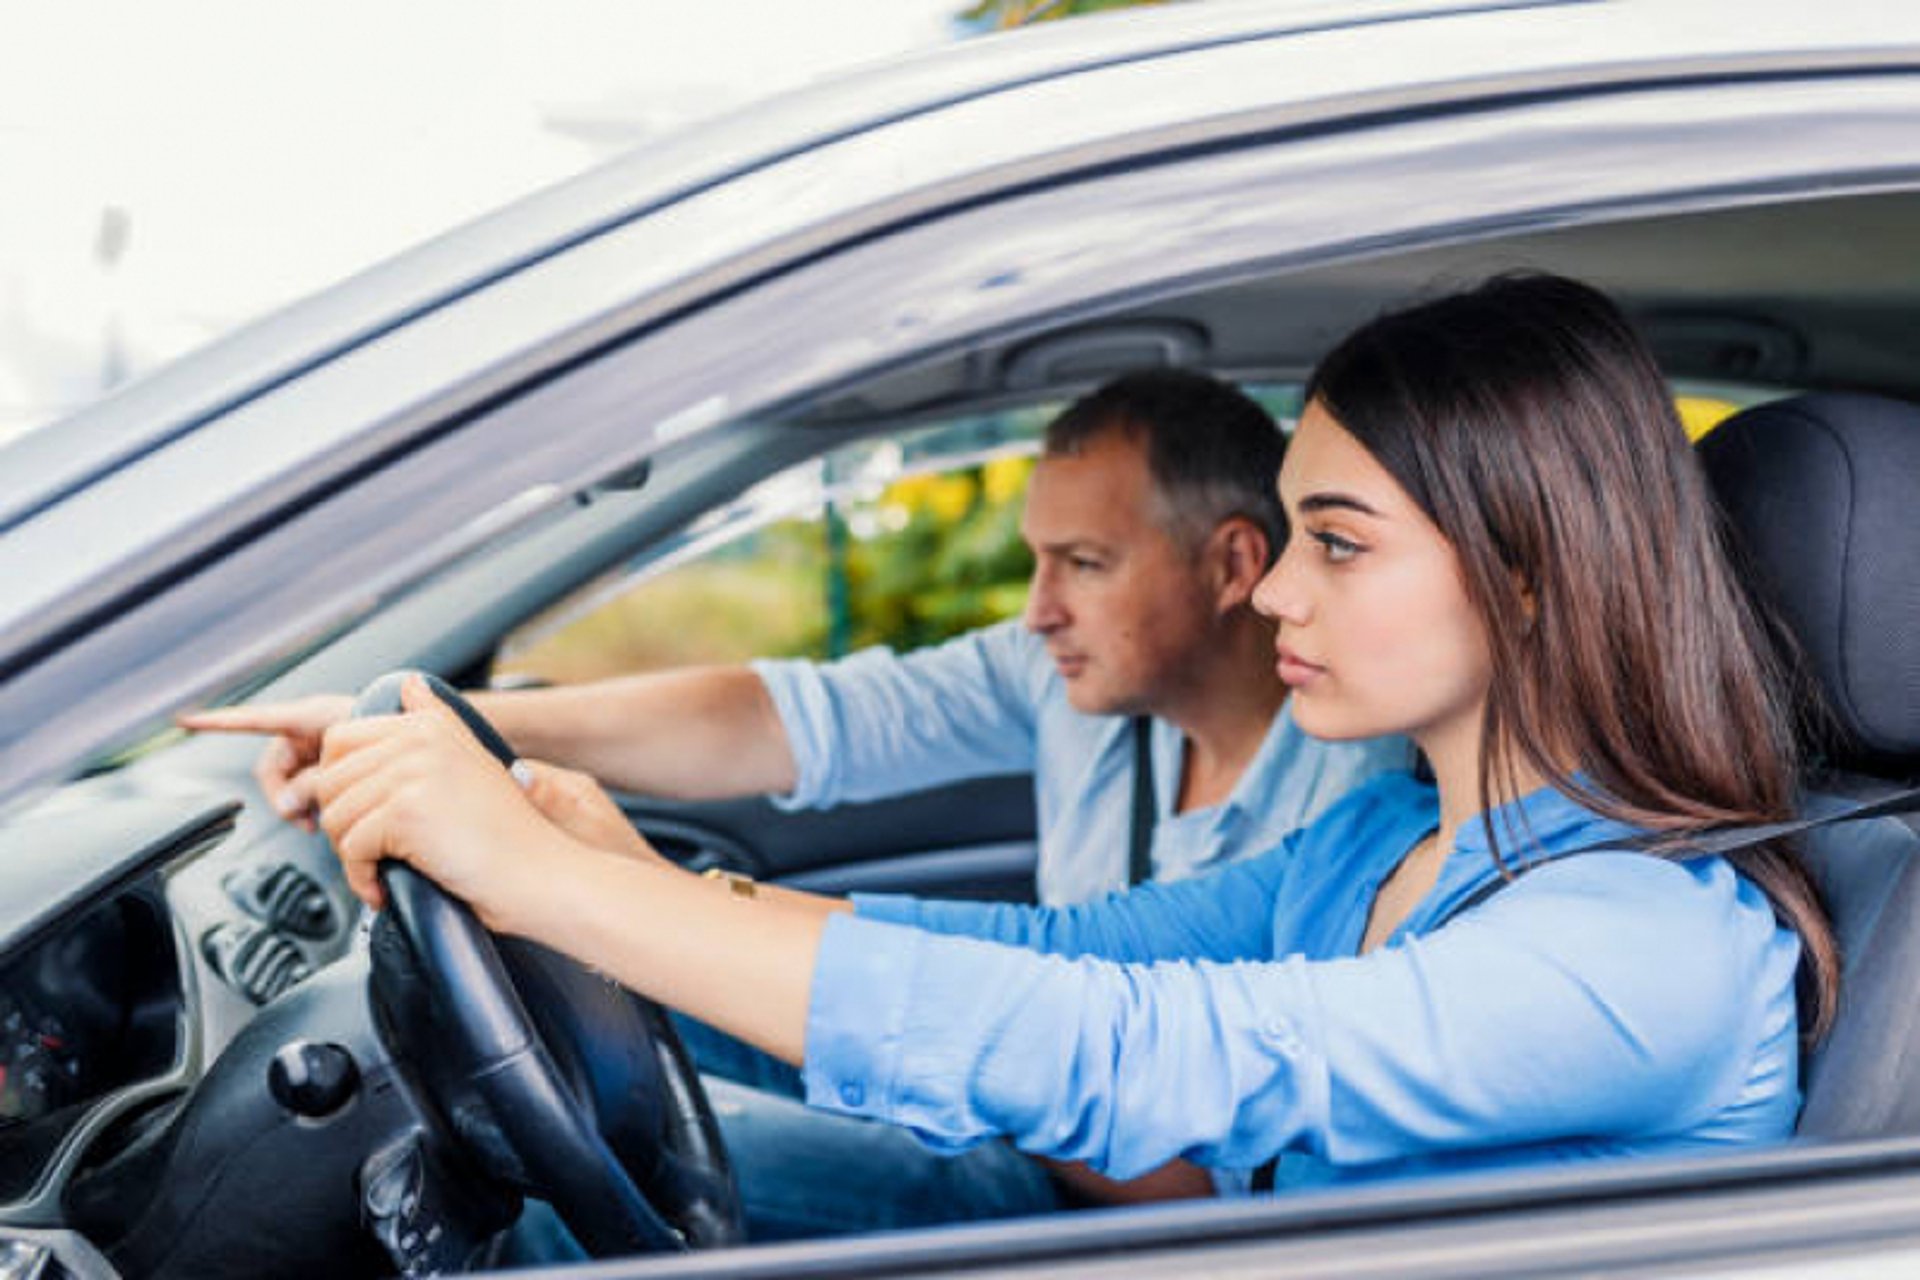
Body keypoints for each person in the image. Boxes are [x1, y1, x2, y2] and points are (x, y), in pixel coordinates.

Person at [268, 274, 1845, 1245]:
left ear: (1527, 574)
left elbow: (1144, 1055)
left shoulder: (1648, 949)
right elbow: (1057, 954)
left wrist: (548, 881)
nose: (1279, 591)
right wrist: (624, 884)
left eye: (1337, 545)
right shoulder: (1382, 840)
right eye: (1289, 535)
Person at [183, 370, 1406, 912]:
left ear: (1235, 565)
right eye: (1039, 562)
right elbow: (776, 716)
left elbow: (1188, 1169)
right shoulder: (1058, 679)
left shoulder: (1362, 795)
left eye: (1082, 565)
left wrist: (638, 904)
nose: (1037, 610)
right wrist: (437, 719)